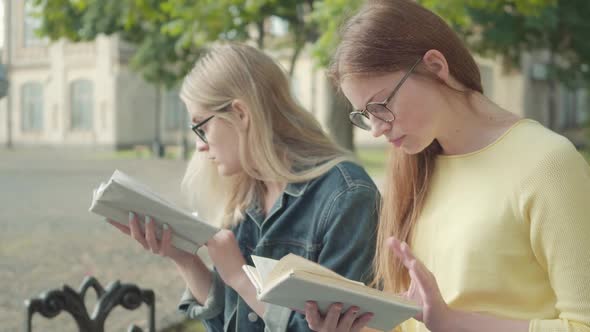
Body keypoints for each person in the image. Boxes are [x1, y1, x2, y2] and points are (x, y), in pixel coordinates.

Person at [302, 0, 590, 331]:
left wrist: (454, 323)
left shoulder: (548, 164)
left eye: (380, 105)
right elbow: (412, 323)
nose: (377, 129)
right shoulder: (415, 168)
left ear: (436, 66)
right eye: (365, 115)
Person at [107, 42, 380, 332]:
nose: (199, 145)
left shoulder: (345, 197)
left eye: (202, 127)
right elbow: (230, 323)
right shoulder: (246, 195)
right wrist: (183, 258)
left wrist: (239, 276)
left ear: (240, 113)